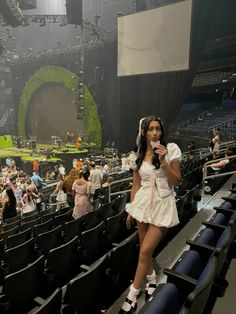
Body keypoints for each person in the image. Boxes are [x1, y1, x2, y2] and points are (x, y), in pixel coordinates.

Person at [119, 116, 181, 313]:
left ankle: (132, 296)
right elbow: (136, 185)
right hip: (143, 204)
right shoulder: (136, 156)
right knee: (144, 250)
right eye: (151, 129)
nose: (155, 133)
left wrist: (163, 162)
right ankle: (152, 279)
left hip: (163, 203)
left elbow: (176, 181)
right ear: (143, 132)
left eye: (158, 129)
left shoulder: (170, 149)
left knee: (145, 251)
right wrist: (131, 210)